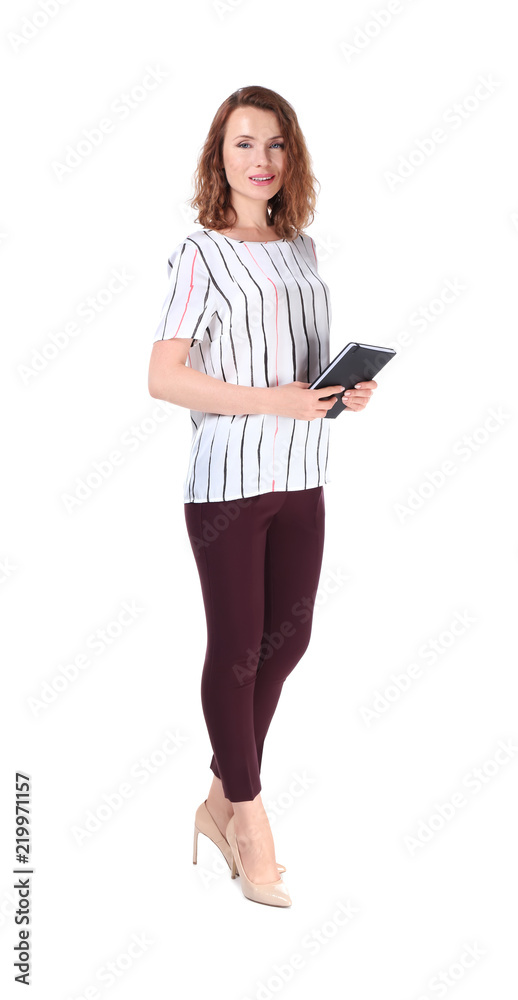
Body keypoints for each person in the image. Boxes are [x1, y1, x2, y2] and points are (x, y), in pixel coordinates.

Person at [148, 85, 377, 906]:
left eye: (276, 146)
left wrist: (340, 394)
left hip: (304, 474)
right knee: (239, 648)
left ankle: (215, 795)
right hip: (230, 483)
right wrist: (273, 400)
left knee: (290, 643)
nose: (262, 161)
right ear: (220, 155)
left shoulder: (301, 248)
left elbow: (303, 372)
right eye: (246, 145)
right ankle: (247, 815)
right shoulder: (198, 253)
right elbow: (163, 376)